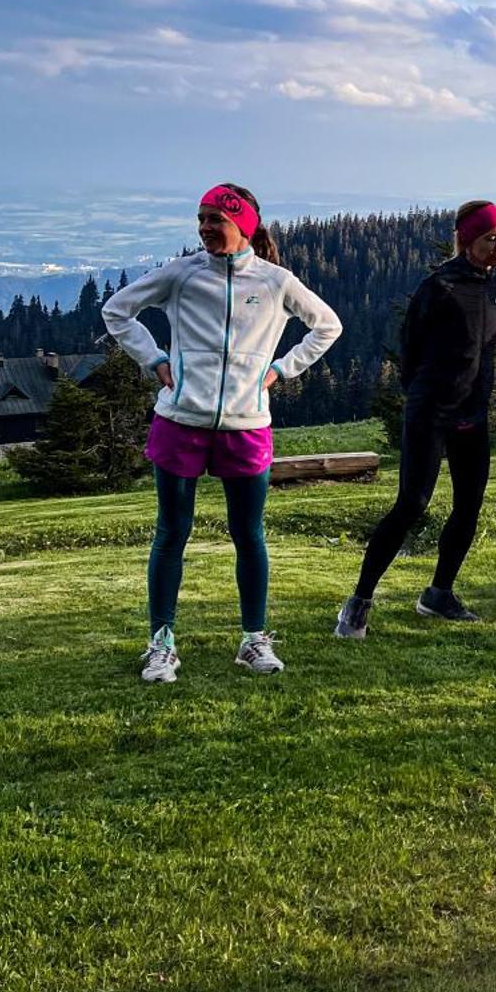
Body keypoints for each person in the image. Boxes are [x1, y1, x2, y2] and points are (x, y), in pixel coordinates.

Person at [102, 182, 342, 683]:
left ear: (244, 226)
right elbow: (116, 311)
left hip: (246, 425)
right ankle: (161, 642)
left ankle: (254, 639)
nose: (206, 228)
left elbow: (327, 326)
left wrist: (281, 370)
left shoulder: (276, 282)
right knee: (171, 533)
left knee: (249, 535)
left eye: (217, 219)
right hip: (179, 421)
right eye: (202, 218)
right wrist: (156, 360)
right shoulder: (182, 275)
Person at [335, 201, 496, 636]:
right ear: (467, 240)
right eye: (491, 238)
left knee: (469, 505)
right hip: (431, 410)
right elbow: (410, 354)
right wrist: (429, 398)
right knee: (412, 504)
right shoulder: (439, 288)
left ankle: (439, 594)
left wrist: (474, 402)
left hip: (474, 414)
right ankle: (359, 601)